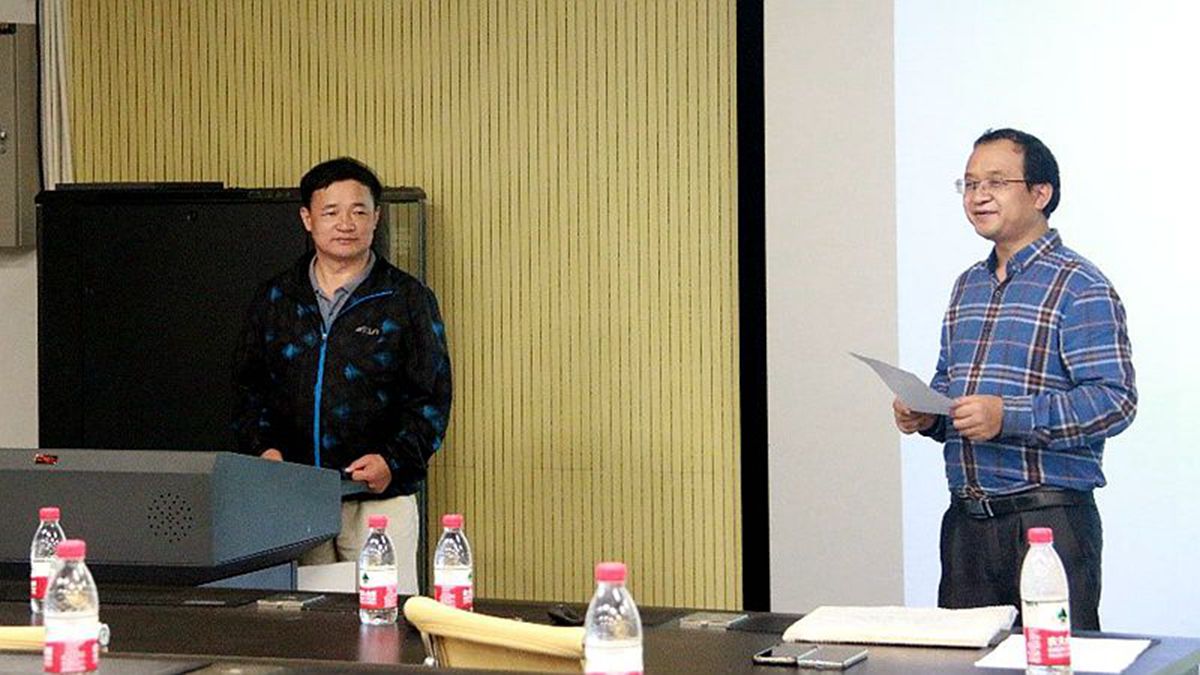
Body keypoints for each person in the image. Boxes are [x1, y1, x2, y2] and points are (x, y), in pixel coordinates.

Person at [893, 129, 1136, 630]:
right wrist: (928, 414)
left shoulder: (1080, 285)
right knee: (962, 660)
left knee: (1054, 659)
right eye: (969, 184)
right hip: (966, 526)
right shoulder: (968, 285)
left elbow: (1114, 401)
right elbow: (952, 387)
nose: (978, 196)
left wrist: (1009, 416)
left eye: (997, 182)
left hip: (1047, 523)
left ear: (1040, 193)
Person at [233, 157, 452, 592]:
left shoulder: (407, 298)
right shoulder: (276, 297)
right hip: (294, 494)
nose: (346, 224)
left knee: (383, 614)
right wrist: (263, 451)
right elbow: (248, 387)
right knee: (300, 617)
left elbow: (431, 397)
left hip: (379, 497)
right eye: (331, 212)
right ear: (308, 219)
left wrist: (393, 461)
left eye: (358, 211)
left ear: (376, 217)